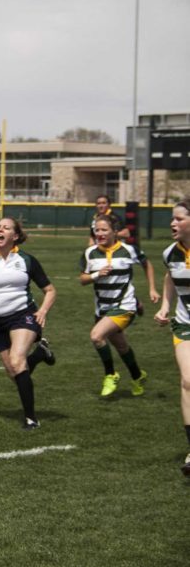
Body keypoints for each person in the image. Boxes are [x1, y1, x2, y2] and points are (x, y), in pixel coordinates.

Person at [0, 217, 57, 430]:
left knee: (17, 360)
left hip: (23, 315)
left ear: (15, 236)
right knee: (13, 372)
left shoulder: (26, 260)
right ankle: (40, 354)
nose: (0, 230)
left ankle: (31, 419)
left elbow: (50, 291)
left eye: (6, 228)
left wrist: (42, 310)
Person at [81, 214, 159, 397]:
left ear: (115, 232)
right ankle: (137, 376)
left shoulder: (128, 250)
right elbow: (82, 279)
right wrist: (96, 275)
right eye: (97, 230)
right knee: (121, 347)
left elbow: (147, 265)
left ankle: (110, 374)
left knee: (96, 336)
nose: (99, 233)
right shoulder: (90, 252)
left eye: (104, 230)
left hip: (125, 305)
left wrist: (152, 289)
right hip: (102, 308)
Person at [153, 199, 190, 477]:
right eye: (172, 219)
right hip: (185, 323)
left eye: (178, 218)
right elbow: (169, 277)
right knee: (188, 382)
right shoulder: (170, 252)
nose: (172, 223)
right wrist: (165, 306)